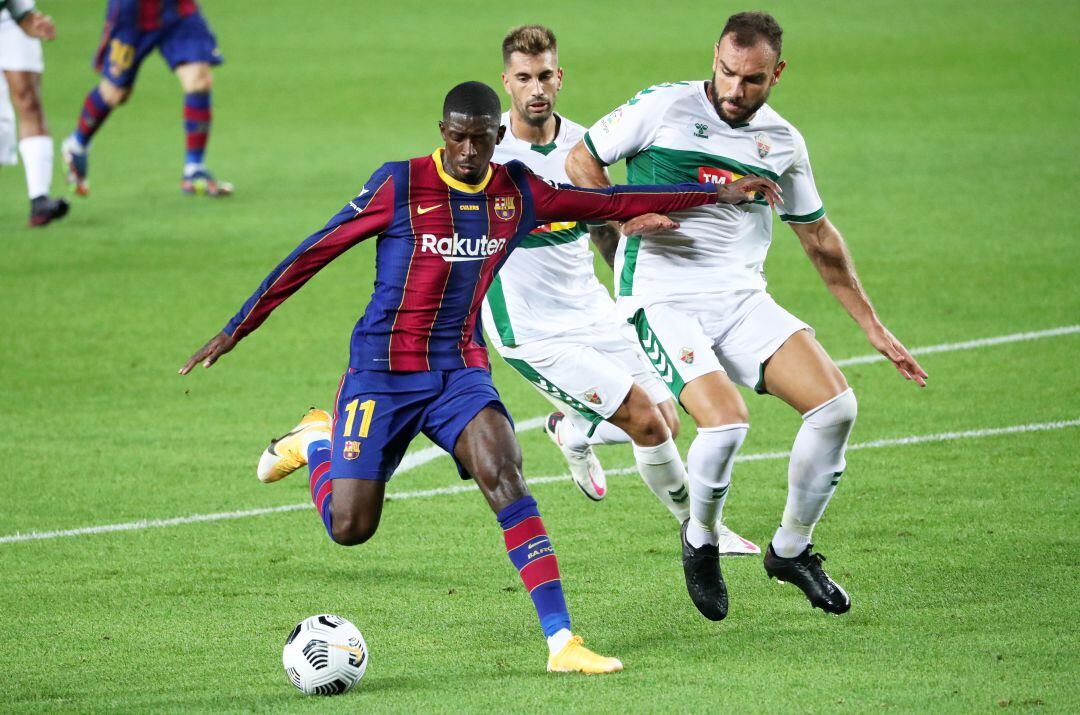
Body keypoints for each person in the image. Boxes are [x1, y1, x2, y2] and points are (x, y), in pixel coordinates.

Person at [180, 81, 780, 672]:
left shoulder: (517, 192)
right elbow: (315, 250)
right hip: (381, 374)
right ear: (443, 133)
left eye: (480, 141)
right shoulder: (399, 183)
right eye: (458, 139)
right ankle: (317, 441)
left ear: (498, 137)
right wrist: (238, 326)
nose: (469, 153)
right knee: (350, 527)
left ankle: (562, 642)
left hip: (459, 372)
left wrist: (719, 195)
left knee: (506, 474)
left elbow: (612, 201)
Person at [566, 11, 928, 620]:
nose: (735, 91)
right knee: (727, 424)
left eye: (752, 81)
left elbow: (819, 239)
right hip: (660, 296)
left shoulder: (782, 142)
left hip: (740, 300)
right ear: (714, 56)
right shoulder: (662, 107)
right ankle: (700, 539)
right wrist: (623, 218)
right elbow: (582, 160)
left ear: (777, 74)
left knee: (836, 408)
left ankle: (790, 550)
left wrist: (872, 325)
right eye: (727, 73)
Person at [482, 25, 758, 555]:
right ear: (507, 82)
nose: (535, 88)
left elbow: (605, 223)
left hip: (591, 305)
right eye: (523, 78)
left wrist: (626, 299)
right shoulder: (486, 149)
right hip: (530, 326)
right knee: (646, 425)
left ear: (559, 78)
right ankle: (700, 531)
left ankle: (571, 430)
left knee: (668, 420)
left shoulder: (581, 145)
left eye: (544, 76)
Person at [60, 0, 232, 197]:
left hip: (178, 9)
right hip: (132, 15)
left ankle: (194, 170)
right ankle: (76, 145)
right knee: (115, 93)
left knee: (199, 80)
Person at [0, 0, 68, 226]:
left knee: (28, 99)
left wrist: (30, 20)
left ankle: (39, 200)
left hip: (7, 16)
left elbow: (21, 14)